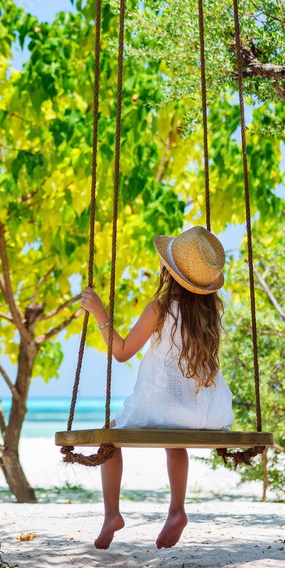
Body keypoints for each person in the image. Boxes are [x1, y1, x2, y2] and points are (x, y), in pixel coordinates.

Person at [79, 226, 235, 550]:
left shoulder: (160, 308)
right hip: (207, 413)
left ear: (169, 271)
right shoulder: (209, 314)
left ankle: (112, 514)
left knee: (110, 435)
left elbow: (121, 352)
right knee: (174, 439)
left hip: (167, 409)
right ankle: (177, 509)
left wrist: (100, 315)